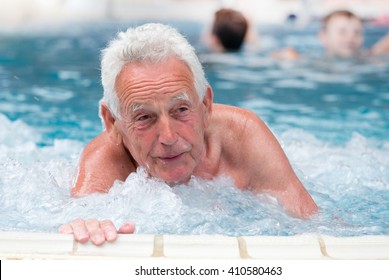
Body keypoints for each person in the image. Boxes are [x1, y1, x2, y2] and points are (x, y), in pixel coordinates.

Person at [59, 23, 318, 245]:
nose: (168, 137)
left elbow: (314, 227)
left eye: (181, 110)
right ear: (112, 123)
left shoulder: (243, 136)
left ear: (206, 105)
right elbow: (80, 223)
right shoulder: (103, 166)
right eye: (144, 117)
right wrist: (88, 227)